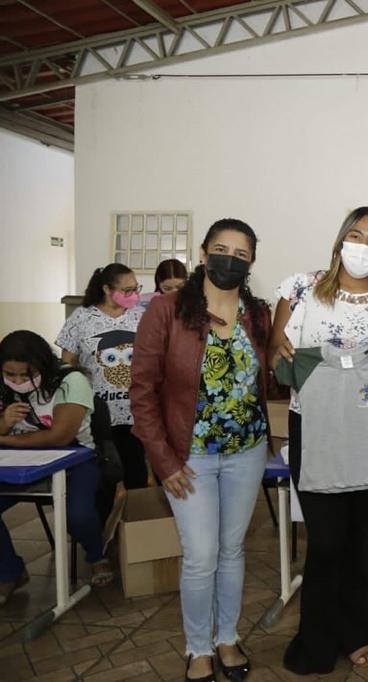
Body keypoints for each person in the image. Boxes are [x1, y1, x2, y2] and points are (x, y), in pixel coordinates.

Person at [269, 206, 368, 674]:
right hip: (313, 426)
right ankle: (317, 637)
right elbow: (276, 355)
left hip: (366, 431)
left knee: (353, 536)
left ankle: (356, 631)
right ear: (339, 240)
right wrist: (279, 352)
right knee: (326, 539)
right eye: (356, 234)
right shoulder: (299, 289)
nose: (364, 245)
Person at [131, 219, 271, 682]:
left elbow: (271, 375)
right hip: (189, 457)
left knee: (232, 549)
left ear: (251, 260)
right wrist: (163, 459)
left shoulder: (258, 313)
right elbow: (142, 391)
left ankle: (227, 637)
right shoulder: (167, 311)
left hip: (246, 451)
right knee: (201, 555)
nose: (230, 258)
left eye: (241, 252)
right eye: (221, 248)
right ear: (204, 252)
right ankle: (197, 648)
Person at [0, 330, 113, 604]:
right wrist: (4, 423)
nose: (17, 382)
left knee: (78, 514)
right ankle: (10, 572)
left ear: (42, 365)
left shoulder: (70, 380)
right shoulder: (3, 386)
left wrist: (4, 439)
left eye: (25, 375)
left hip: (75, 458)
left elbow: (60, 436)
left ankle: (96, 555)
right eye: (9, 374)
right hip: (20, 462)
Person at [56, 263, 148, 489]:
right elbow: (66, 366)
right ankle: (104, 523)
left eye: (136, 289)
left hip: (135, 411)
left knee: (135, 473)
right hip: (97, 412)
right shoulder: (82, 318)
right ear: (107, 289)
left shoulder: (142, 316)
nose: (134, 295)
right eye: (127, 290)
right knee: (103, 477)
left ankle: (134, 524)